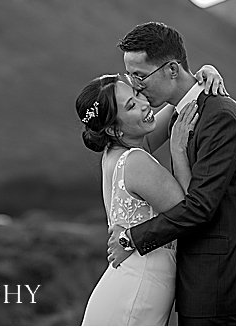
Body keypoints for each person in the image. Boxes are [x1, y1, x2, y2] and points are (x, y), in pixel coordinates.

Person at [106, 22, 236, 325]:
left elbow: (201, 207)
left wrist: (131, 239)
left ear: (172, 69)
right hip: (197, 288)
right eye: (130, 76)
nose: (135, 86)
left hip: (220, 287)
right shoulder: (181, 111)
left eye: (140, 76)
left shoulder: (220, 117)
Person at [77, 65, 223, 325]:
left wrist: (205, 73)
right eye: (131, 106)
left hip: (130, 282)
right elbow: (189, 211)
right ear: (113, 129)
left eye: (137, 94)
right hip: (138, 289)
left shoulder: (117, 151)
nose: (145, 105)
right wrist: (178, 150)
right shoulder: (135, 161)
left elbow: (185, 102)